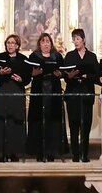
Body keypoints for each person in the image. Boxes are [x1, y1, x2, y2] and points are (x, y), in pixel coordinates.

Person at [62, 28, 99, 162]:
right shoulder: (70, 56)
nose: (75, 41)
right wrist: (70, 75)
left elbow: (97, 75)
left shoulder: (91, 56)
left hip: (86, 93)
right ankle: (75, 154)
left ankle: (85, 154)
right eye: (74, 39)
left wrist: (87, 76)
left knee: (86, 124)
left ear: (83, 40)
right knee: (74, 124)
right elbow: (65, 75)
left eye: (78, 39)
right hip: (72, 93)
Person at [0, 33, 30, 162]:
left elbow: (27, 78)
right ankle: (1, 153)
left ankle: (14, 152)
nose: (10, 45)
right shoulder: (0, 57)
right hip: (3, 89)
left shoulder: (23, 59)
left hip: (17, 90)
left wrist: (21, 79)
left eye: (13, 43)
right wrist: (0, 72)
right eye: (8, 43)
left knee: (16, 120)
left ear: (17, 45)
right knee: (2, 119)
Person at [26, 32, 64, 162]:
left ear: (51, 44)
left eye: (48, 41)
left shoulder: (57, 56)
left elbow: (64, 71)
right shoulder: (34, 56)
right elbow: (28, 72)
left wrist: (60, 74)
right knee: (38, 121)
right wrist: (33, 73)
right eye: (43, 42)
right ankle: (39, 151)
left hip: (53, 91)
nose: (46, 44)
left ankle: (51, 151)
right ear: (39, 44)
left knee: (52, 121)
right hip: (39, 90)